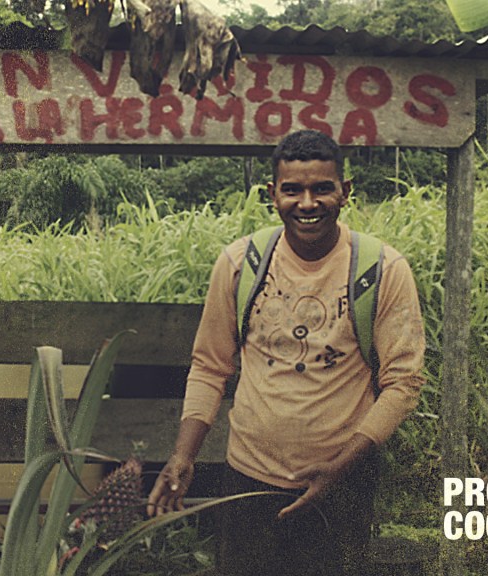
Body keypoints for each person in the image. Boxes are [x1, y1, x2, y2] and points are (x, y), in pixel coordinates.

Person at [146, 129, 425, 575]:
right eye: (292, 190)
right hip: (248, 482)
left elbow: (403, 383)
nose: (307, 203)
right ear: (272, 194)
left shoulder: (382, 270)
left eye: (322, 189)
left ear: (345, 192)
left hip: (343, 486)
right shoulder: (241, 264)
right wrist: (183, 456)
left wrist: (340, 467)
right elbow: (210, 366)